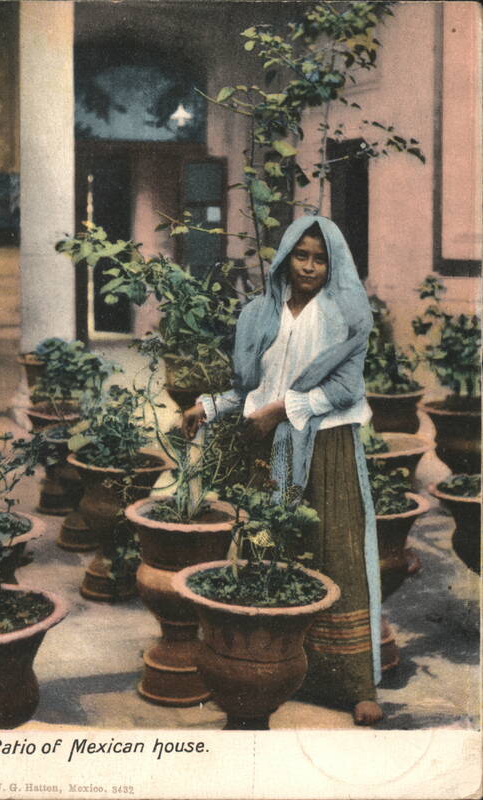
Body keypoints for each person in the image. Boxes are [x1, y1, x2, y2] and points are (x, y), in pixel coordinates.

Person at [182, 215, 383, 726]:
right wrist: (207, 406)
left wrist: (280, 411)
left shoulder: (343, 315)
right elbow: (251, 387)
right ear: (286, 258)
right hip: (267, 447)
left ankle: (355, 683)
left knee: (336, 550)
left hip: (327, 445)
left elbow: (345, 392)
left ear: (331, 264)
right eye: (302, 255)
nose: (310, 266)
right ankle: (273, 668)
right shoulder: (260, 313)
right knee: (268, 546)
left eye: (320, 258)